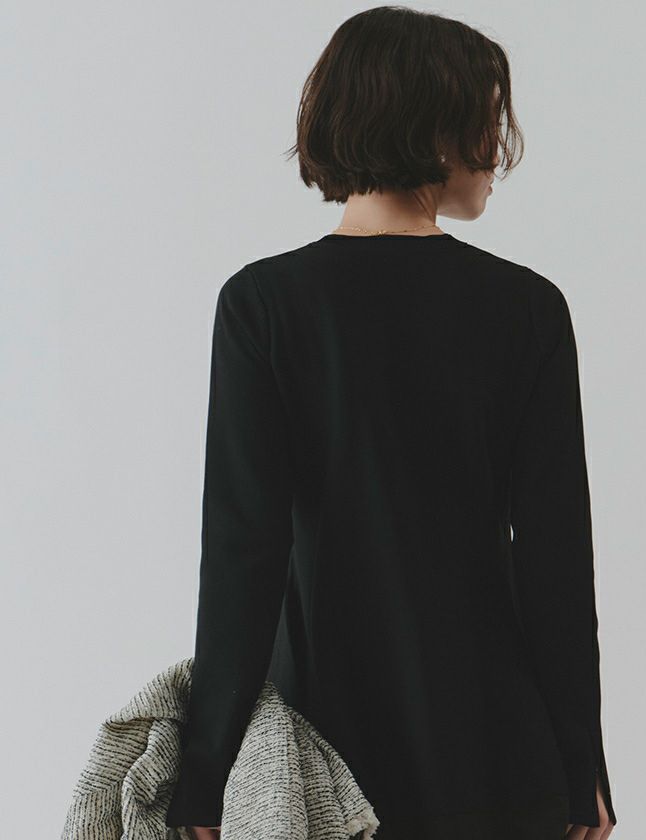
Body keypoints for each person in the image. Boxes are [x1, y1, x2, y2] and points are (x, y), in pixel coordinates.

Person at [164, 6, 618, 839]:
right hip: (498, 757)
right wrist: (580, 762)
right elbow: (556, 563)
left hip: (326, 768)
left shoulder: (264, 307)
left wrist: (208, 771)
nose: (497, 151)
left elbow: (242, 556)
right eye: (486, 120)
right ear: (434, 129)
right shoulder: (526, 309)